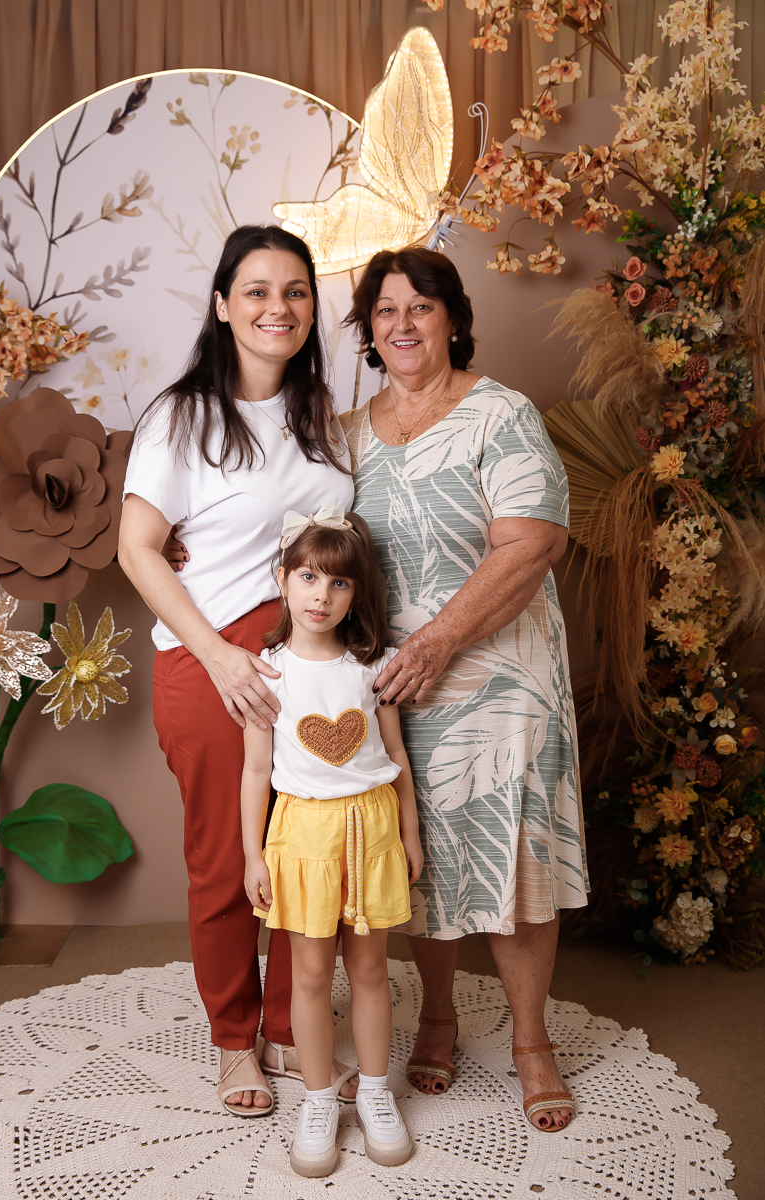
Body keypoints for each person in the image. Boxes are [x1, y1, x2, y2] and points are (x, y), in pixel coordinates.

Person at [340, 247, 588, 1133]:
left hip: (501, 675)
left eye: (420, 306)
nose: (402, 324)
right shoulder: (345, 432)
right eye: (385, 310)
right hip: (395, 683)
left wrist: (439, 640)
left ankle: (531, 1041)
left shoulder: (499, 413)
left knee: (511, 857)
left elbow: (532, 543)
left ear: (452, 318)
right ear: (368, 331)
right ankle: (437, 1019)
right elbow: (298, 534)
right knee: (421, 857)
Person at [118, 225, 356, 1116]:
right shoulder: (180, 417)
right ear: (222, 304)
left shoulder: (319, 413)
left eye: (294, 291)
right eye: (255, 290)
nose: (276, 308)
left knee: (305, 853)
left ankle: (290, 1028)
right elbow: (138, 548)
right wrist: (219, 656)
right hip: (213, 661)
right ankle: (233, 1043)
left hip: (308, 665)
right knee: (227, 863)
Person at [241, 504, 423, 1177]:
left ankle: (374, 1092)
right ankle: (319, 1100)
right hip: (302, 835)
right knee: (311, 975)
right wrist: (252, 854)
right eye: (309, 577)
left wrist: (408, 833)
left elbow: (396, 756)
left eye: (339, 582)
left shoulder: (374, 667)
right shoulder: (266, 673)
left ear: (356, 593)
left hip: (370, 828)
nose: (322, 595)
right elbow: (255, 771)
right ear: (283, 580)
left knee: (371, 971)